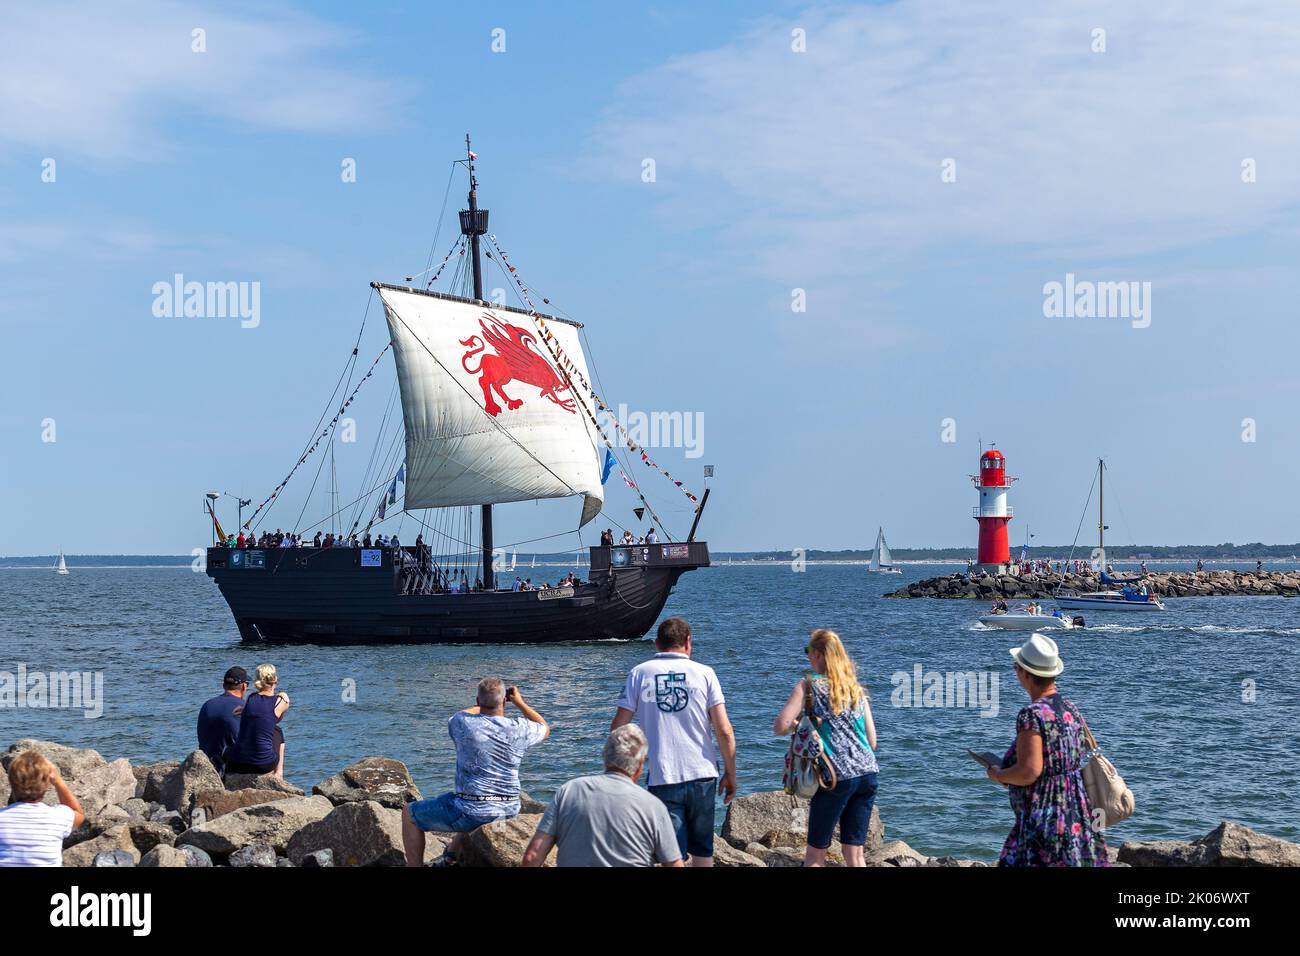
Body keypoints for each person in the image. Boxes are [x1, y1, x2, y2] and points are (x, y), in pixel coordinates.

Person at [611, 617, 736, 867]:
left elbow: (618, 729)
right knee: (703, 851)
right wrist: (731, 773)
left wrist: (624, 774)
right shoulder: (705, 674)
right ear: (688, 642)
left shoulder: (639, 673)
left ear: (657, 643)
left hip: (662, 776)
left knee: (671, 857)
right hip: (703, 775)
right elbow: (724, 730)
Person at [987, 634, 1109, 867]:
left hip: (1046, 814)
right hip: (1075, 808)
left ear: (1025, 674)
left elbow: (1030, 771)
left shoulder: (1031, 715)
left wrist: (999, 774)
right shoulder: (1070, 707)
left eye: (1016, 667)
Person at [403, 680, 549, 866]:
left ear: (478, 701)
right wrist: (519, 702)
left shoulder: (462, 723)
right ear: (505, 701)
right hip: (508, 808)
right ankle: (450, 856)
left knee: (410, 813)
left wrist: (483, 702)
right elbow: (544, 727)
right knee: (468, 803)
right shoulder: (520, 728)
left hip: (473, 810)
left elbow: (462, 713)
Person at [773, 629, 879, 867]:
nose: (808, 657)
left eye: (808, 651)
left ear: (819, 655)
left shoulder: (808, 686)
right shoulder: (855, 690)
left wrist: (801, 726)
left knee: (815, 855)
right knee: (855, 855)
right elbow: (872, 741)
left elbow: (780, 726)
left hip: (836, 778)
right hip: (867, 773)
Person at [522, 725, 683, 868]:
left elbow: (533, 856)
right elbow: (673, 863)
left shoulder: (569, 791)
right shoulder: (653, 806)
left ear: (605, 757)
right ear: (640, 766)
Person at [0, 751, 86, 866]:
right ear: (47, 784)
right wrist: (58, 782)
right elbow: (78, 815)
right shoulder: (58, 816)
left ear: (11, 782)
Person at [224, 664, 290, 778]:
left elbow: (261, 714)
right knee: (278, 731)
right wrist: (284, 694)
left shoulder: (250, 698)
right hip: (263, 764)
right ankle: (279, 774)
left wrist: (245, 710)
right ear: (275, 680)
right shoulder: (281, 702)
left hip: (238, 763)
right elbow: (275, 720)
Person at [196, 666, 249, 774]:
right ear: (244, 686)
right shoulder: (244, 707)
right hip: (229, 767)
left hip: (207, 763)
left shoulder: (207, 705)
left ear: (224, 685)